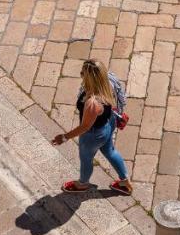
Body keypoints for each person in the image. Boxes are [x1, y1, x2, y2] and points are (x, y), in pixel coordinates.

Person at [51, 60, 131, 195]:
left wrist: (64, 137)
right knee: (110, 151)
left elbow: (85, 127)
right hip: (109, 122)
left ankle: (82, 184)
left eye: (83, 73)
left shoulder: (92, 103)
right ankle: (125, 182)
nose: (81, 74)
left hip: (93, 135)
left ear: (91, 78)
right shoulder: (108, 81)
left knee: (86, 158)